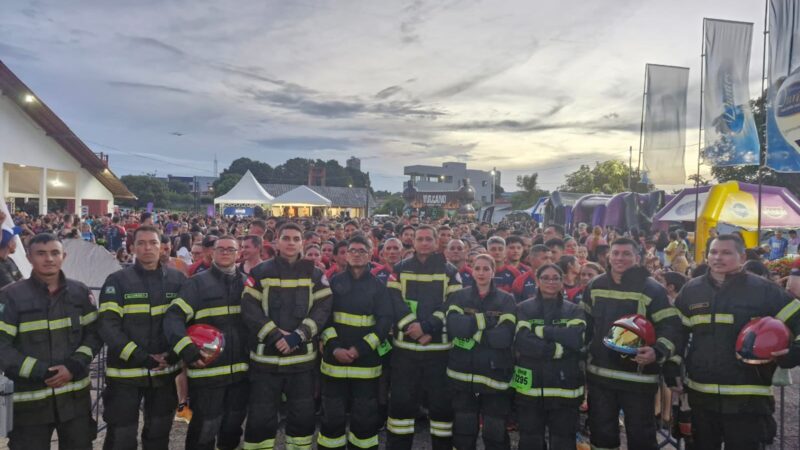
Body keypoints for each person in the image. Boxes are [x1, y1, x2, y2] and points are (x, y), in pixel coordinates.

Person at [671, 235, 800, 449]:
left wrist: (794, 353)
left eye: (726, 252)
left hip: (748, 399)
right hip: (701, 398)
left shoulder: (764, 290)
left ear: (741, 256)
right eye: (713, 252)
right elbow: (675, 333)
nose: (718, 257)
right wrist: (671, 366)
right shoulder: (691, 290)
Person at [0, 233, 102, 449]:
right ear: (28, 258)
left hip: (75, 402)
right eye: (41, 254)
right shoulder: (10, 297)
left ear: (63, 256)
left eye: (55, 253)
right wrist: (41, 371)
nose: (49, 259)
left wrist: (74, 365)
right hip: (30, 404)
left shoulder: (80, 293)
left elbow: (95, 334)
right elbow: (2, 347)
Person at [581, 238, 682, 449]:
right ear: (608, 256)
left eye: (626, 254)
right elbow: (584, 326)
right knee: (601, 434)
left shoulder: (652, 289)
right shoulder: (595, 286)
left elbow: (671, 326)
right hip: (600, 376)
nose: (620, 258)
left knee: (641, 436)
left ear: (637, 258)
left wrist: (657, 352)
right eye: (615, 253)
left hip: (638, 378)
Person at [240, 223, 333, 450]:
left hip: (302, 364)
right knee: (260, 418)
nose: (291, 243)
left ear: (302, 243)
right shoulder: (260, 272)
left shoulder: (315, 274)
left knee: (302, 419)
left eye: (295, 239)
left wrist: (298, 336)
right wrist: (274, 334)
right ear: (276, 243)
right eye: (286, 238)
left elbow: (323, 309)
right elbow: (249, 309)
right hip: (265, 364)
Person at [98, 225, 186, 449]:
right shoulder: (117, 281)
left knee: (158, 434)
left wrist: (175, 354)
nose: (148, 248)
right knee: (121, 437)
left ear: (163, 247)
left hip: (164, 374)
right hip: (124, 374)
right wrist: (140, 357)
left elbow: (187, 323)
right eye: (142, 243)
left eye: (153, 243)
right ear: (132, 247)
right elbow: (108, 326)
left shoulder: (178, 280)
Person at [163, 235, 249, 450]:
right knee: (204, 431)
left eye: (231, 249)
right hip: (207, 373)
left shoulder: (248, 284)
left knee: (232, 429)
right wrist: (187, 350)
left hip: (240, 373)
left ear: (238, 254)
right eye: (221, 249)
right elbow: (173, 317)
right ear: (212, 252)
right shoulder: (197, 284)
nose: (226, 252)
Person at [387, 224, 462, 450]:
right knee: (401, 407)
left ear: (437, 241)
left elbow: (452, 305)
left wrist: (428, 328)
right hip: (405, 352)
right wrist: (414, 329)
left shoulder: (450, 271)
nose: (424, 243)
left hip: (438, 352)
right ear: (413, 242)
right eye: (420, 239)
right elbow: (394, 302)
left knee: (441, 408)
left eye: (429, 239)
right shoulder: (399, 269)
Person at [317, 235, 394, 449]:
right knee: (331, 416)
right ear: (346, 254)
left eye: (362, 250)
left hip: (366, 363)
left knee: (365, 417)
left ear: (370, 254)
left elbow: (384, 321)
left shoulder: (379, 286)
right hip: (335, 361)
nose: (357, 254)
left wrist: (360, 349)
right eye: (353, 250)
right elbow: (324, 317)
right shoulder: (333, 282)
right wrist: (334, 348)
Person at [445, 254, 516, 450]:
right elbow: (454, 327)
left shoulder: (506, 299)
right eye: (477, 268)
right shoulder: (459, 296)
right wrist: (486, 322)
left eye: (486, 269)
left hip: (495, 374)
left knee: (494, 430)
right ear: (472, 270)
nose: (482, 273)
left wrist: (473, 333)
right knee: (464, 428)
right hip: (462, 371)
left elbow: (504, 337)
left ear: (493, 272)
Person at [514, 263, 586, 449]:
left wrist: (538, 330)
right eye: (545, 277)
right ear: (537, 281)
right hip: (529, 387)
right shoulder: (523, 308)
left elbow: (575, 339)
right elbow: (522, 341)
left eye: (556, 278)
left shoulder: (574, 310)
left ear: (563, 282)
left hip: (565, 385)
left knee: (563, 440)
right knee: (530, 439)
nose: (551, 281)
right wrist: (556, 350)